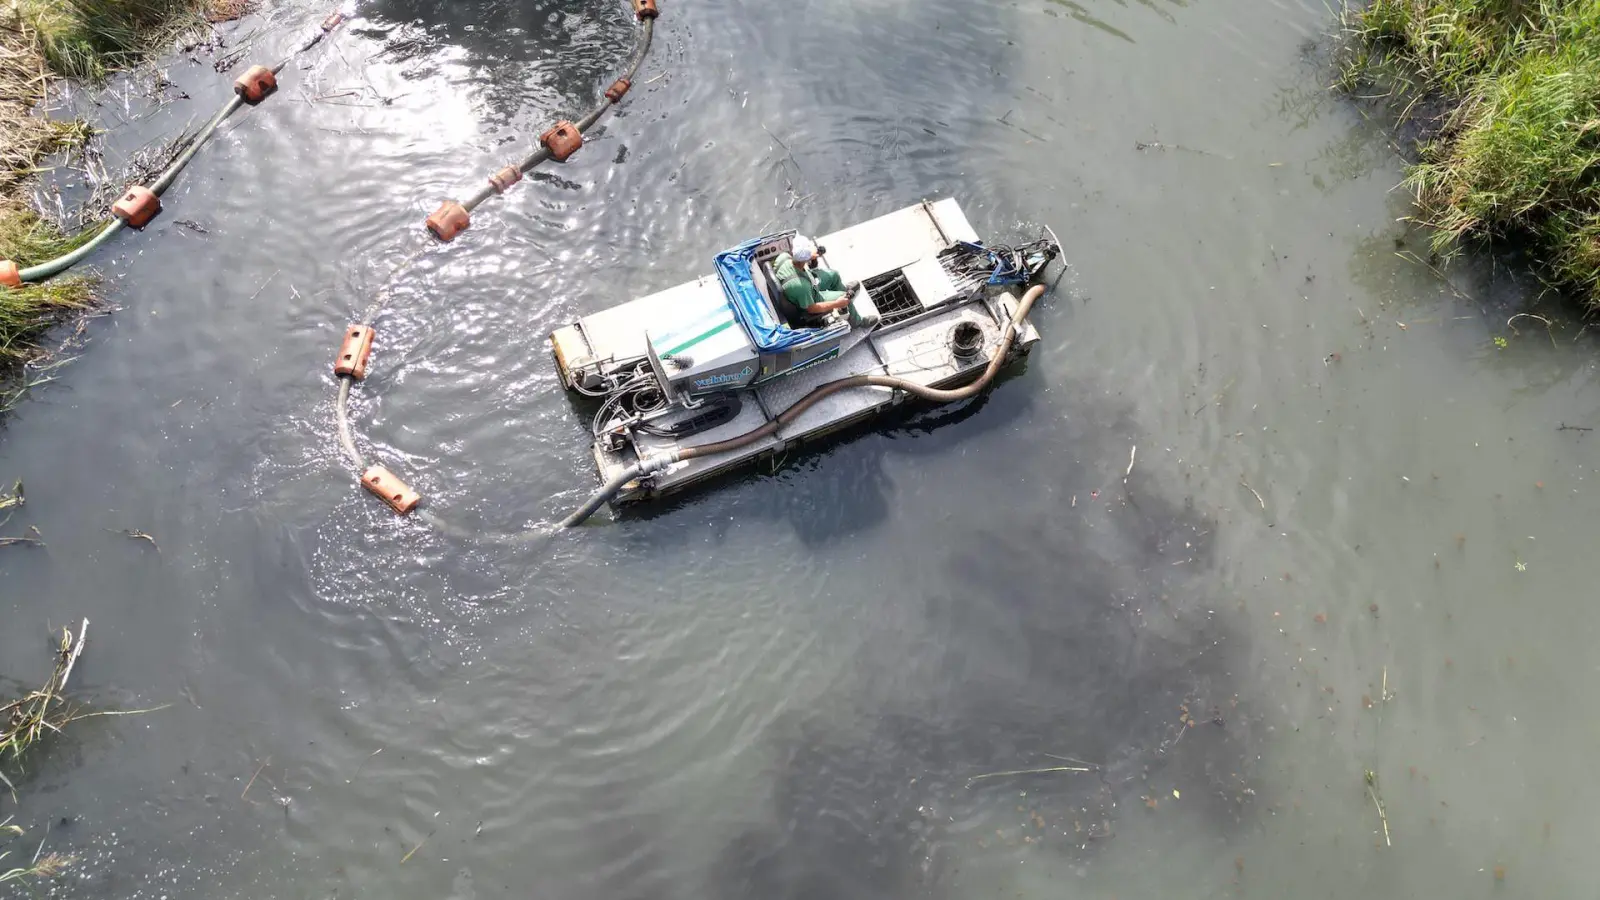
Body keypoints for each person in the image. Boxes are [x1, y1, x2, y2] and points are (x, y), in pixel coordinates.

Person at [771, 235, 859, 325]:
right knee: (844, 297)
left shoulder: (783, 257)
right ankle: (857, 321)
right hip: (812, 297)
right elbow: (812, 309)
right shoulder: (801, 288)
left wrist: (810, 256)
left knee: (834, 275)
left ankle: (842, 291)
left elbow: (798, 261)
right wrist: (838, 304)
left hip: (807, 281)